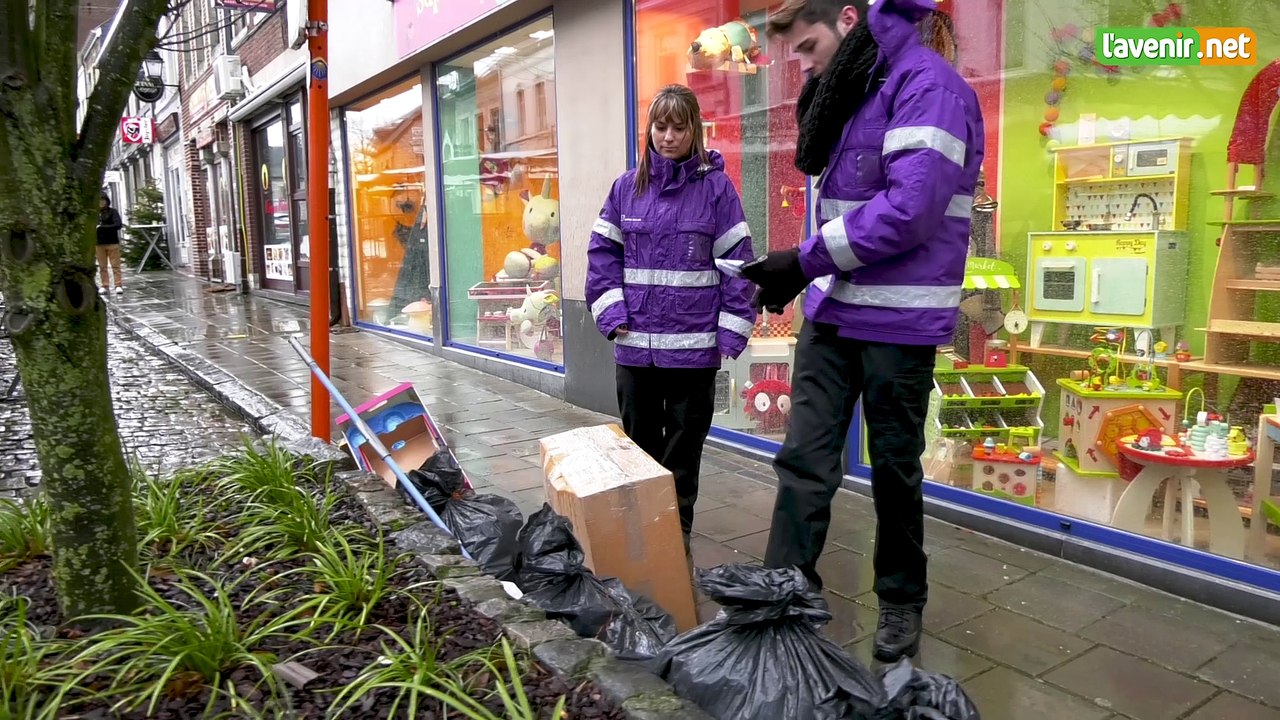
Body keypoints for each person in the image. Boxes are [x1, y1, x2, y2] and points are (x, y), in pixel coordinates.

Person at [741, 0, 984, 663]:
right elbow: (845, 204)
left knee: (895, 471)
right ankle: (784, 592)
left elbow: (910, 209)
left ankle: (902, 599)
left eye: (806, 45)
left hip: (899, 321)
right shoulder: (852, 90)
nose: (801, 64)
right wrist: (801, 272)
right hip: (834, 310)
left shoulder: (929, 86)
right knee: (804, 458)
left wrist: (803, 262)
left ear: (849, 21)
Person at [585, 84, 758, 561]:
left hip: (693, 351)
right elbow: (602, 256)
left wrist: (731, 332)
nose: (668, 136)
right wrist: (612, 314)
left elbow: (737, 263)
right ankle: (642, 534)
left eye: (678, 127)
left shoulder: (717, 191)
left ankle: (674, 539)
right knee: (638, 447)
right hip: (635, 348)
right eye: (660, 126)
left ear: (694, 130)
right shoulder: (626, 189)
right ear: (650, 130)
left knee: (684, 450)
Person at [96, 193, 125, 295]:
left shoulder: (113, 212)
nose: (101, 202)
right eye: (99, 200)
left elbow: (118, 225)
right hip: (99, 243)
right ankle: (104, 285)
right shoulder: (95, 214)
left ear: (107, 201)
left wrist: (102, 227)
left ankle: (118, 285)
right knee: (102, 266)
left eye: (103, 200)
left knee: (115, 266)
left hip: (112, 242)